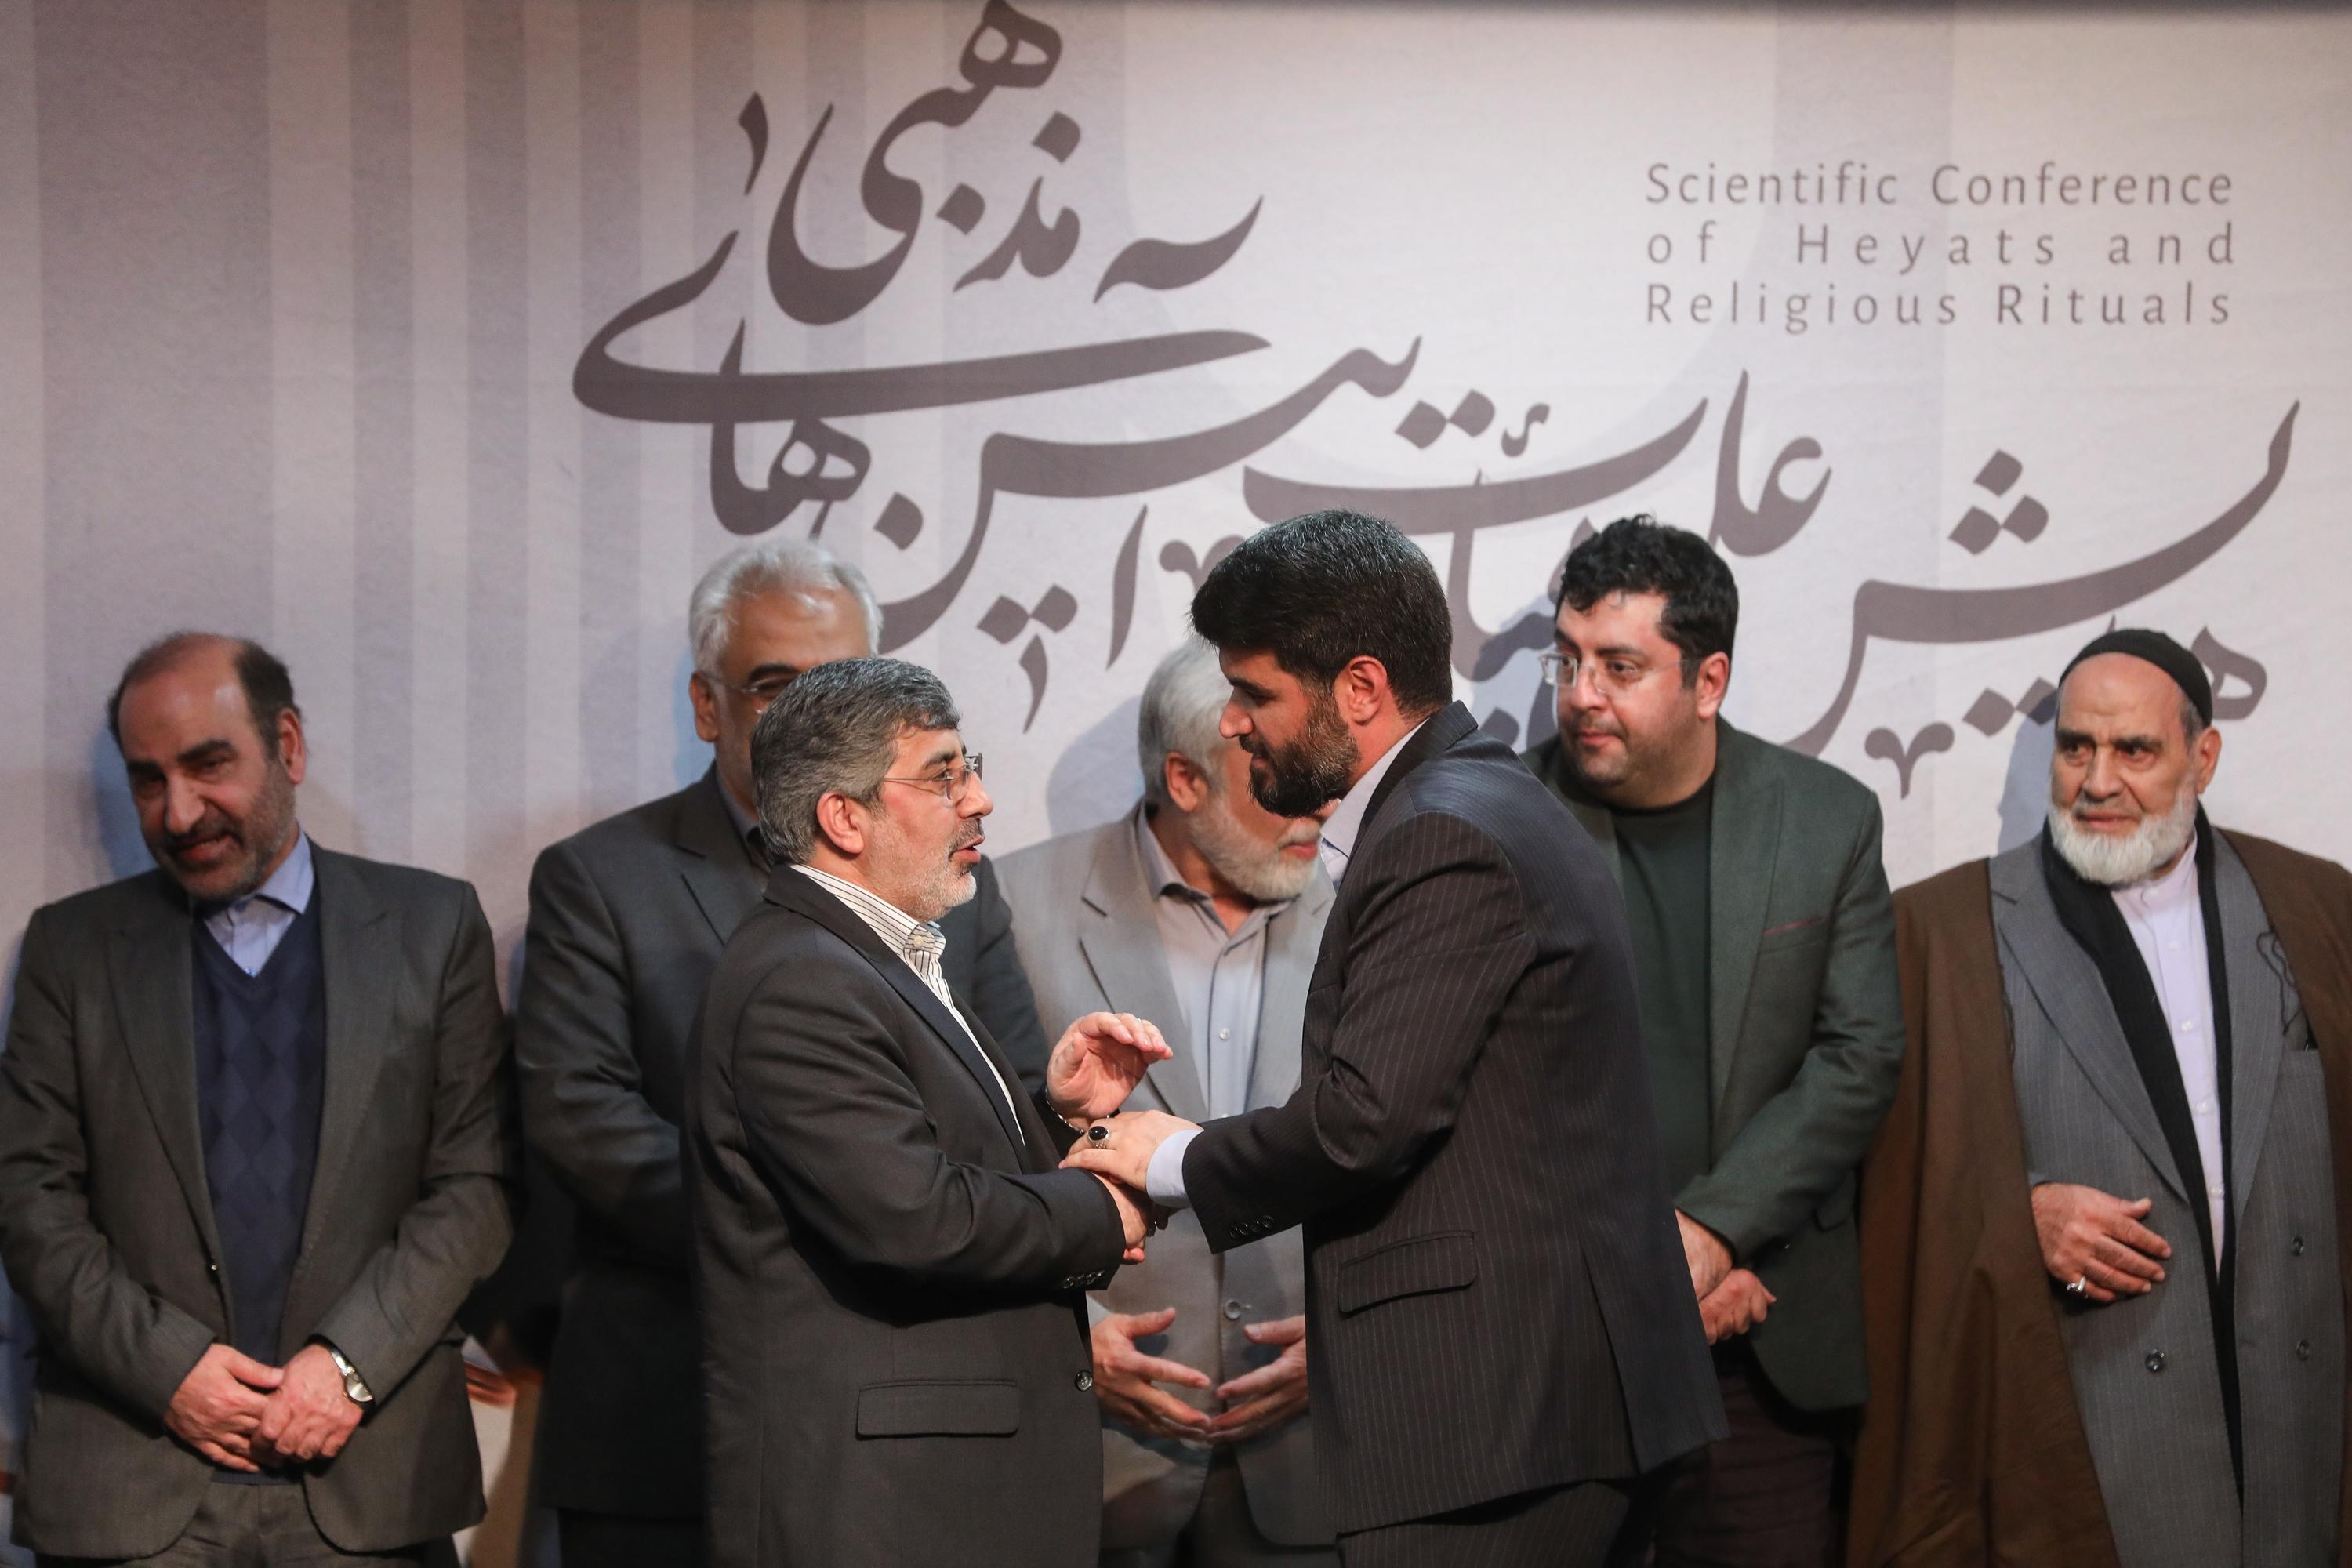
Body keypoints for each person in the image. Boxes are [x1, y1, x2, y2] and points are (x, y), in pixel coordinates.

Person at [1064, 511, 1723, 1566]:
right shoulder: (1477, 799)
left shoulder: (1442, 832)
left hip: (1503, 1428)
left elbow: (1364, 1121)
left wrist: (1169, 1153)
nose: (1234, 722)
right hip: (1533, 1420)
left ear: (1360, 689)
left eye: (1255, 693)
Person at [514, 539, 1049, 1565]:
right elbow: (583, 1122)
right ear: (707, 705)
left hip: (919, 1412)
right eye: (774, 685)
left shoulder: (955, 880)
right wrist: (829, 1224)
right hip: (667, 1421)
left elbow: (1015, 1100)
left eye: (841, 681)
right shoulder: (600, 879)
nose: (811, 713)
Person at [0, 633, 514, 1564]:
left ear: (289, 746)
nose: (179, 811)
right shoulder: (70, 949)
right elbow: (30, 1200)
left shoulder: (433, 928)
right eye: (148, 780)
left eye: (208, 764)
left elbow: (476, 1184)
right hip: (128, 1480)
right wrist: (168, 1369)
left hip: (370, 1478)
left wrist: (349, 1364)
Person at [1850, 629, 2352, 1566]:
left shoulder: (2318, 908)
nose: (2098, 780)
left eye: (2135, 750)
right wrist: (2018, 1216)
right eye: (2076, 746)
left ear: (2204, 756)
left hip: (2298, 1432)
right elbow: (1880, 1191)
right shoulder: (1938, 933)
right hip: (2081, 1433)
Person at [686, 655, 1174, 1568]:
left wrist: (1057, 1115)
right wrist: (1108, 1205)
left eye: (968, 767)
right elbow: (916, 1220)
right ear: (844, 817)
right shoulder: (802, 978)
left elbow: (926, 1165)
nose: (979, 799)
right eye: (944, 776)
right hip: (879, 1513)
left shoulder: (870, 953)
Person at [1521, 517, 1904, 1565]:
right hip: (1560, 1352)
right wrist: (1643, 1273)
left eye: (1620, 666)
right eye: (1568, 659)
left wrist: (1716, 1233)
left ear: (1709, 680)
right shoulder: (1501, 817)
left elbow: (1859, 1055)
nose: (1581, 694)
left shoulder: (1825, 820)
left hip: (1760, 1344)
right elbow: (1487, 1086)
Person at [1000, 637, 1339, 1568]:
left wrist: (1351, 1333)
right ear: (1186, 780)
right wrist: (1069, 1332)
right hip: (1090, 1454)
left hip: (1304, 1455)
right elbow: (967, 1163)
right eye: (1277, 775)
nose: (1318, 804)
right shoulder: (1013, 904)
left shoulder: (1369, 909)